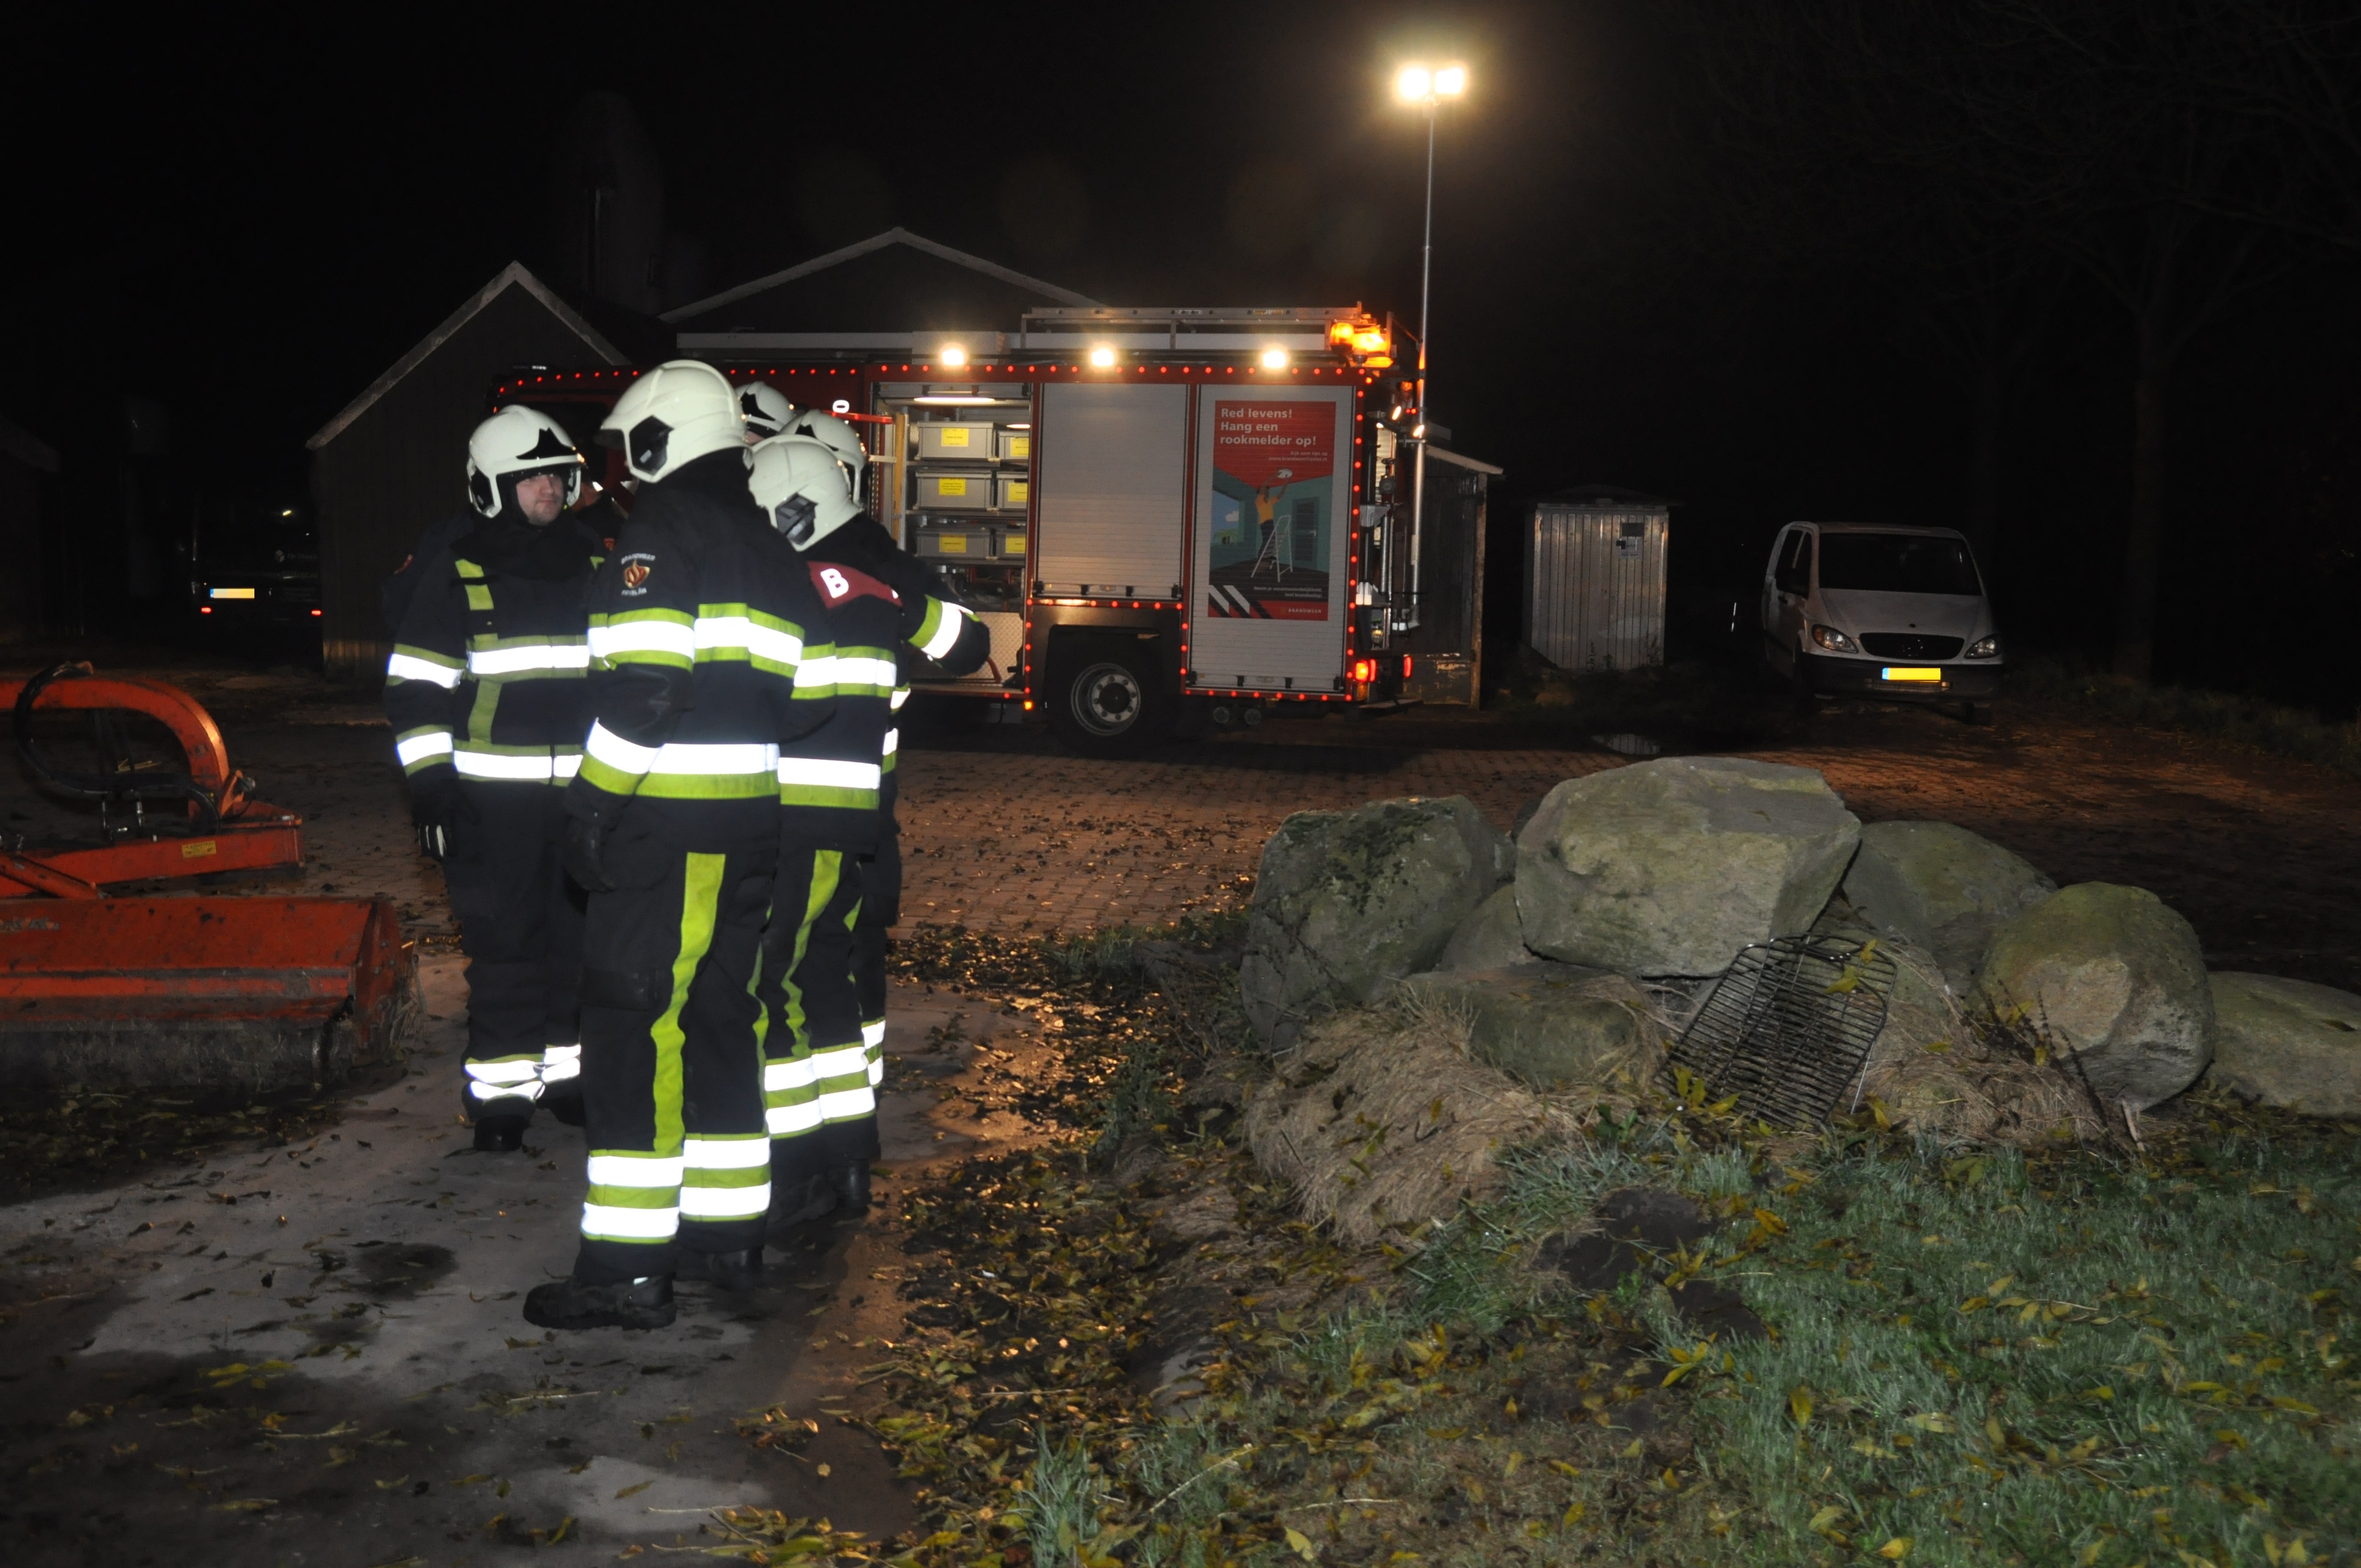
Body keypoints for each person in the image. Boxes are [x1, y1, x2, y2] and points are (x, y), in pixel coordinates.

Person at [524, 361, 833, 1332]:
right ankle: (728, 1236)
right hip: (751, 831)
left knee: (633, 1031)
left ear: (662, 440)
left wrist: (589, 804)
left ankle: (625, 1272)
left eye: (630, 448)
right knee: (720, 1021)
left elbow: (647, 689)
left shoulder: (664, 530)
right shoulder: (771, 545)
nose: (623, 468)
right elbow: (806, 700)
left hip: (664, 832)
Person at [747, 416, 987, 1224]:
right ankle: (851, 1158)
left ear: (791, 514)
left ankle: (794, 1171)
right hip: (857, 821)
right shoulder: (879, 583)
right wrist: (906, 602)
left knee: (774, 987)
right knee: (830, 983)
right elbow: (966, 643)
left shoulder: (792, 590)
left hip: (789, 821)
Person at [384, 405, 603, 1148]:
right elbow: (415, 687)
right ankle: (503, 1099)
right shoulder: (457, 569)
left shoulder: (597, 562)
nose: (550, 489)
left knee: (576, 945)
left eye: (558, 476)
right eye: (531, 479)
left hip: (585, 801)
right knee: (507, 947)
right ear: (490, 488)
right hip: (490, 805)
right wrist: (431, 786)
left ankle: (567, 1076)